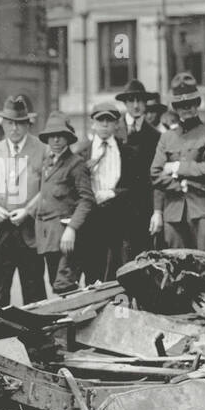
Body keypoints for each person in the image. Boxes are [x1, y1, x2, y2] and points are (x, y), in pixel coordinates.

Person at [0, 95, 47, 307]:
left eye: (19, 123)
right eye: (9, 123)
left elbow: (48, 188)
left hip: (30, 231)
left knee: (34, 289)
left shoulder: (42, 150)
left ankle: (37, 335)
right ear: (3, 124)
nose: (14, 128)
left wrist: (28, 210)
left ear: (27, 124)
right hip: (0, 231)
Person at [149, 73, 205, 253]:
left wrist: (175, 167)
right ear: (175, 108)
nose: (186, 108)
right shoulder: (167, 138)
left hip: (204, 212)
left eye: (190, 103)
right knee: (176, 270)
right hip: (174, 215)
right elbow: (155, 173)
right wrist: (181, 185)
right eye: (181, 105)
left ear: (198, 104)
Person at [34, 113, 94, 295]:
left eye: (60, 135)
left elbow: (87, 200)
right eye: (52, 135)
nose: (56, 139)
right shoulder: (47, 163)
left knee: (64, 285)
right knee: (57, 284)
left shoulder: (76, 164)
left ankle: (77, 322)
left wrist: (72, 229)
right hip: (49, 238)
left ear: (68, 138)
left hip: (67, 239)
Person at [77, 102, 127, 284]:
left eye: (110, 120)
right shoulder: (83, 152)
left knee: (117, 270)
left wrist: (114, 193)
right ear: (93, 123)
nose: (105, 125)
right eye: (100, 120)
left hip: (118, 216)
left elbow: (135, 186)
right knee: (93, 270)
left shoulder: (126, 150)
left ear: (116, 124)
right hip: (92, 217)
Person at [114, 80, 161, 264]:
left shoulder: (156, 136)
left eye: (140, 100)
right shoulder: (114, 132)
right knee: (119, 264)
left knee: (143, 262)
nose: (136, 105)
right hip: (117, 209)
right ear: (125, 104)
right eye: (131, 100)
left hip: (143, 209)